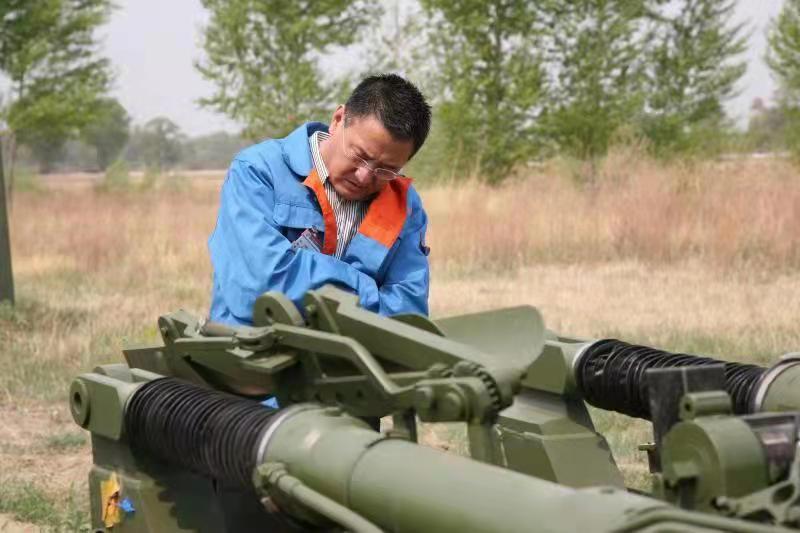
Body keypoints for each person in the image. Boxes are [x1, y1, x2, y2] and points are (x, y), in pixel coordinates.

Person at [208, 74, 432, 325]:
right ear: (338, 120)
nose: (364, 176)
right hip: (253, 345)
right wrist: (367, 290)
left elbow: (409, 312)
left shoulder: (405, 204)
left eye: (386, 169)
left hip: (352, 350)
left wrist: (309, 279)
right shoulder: (258, 171)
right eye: (359, 155)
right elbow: (259, 285)